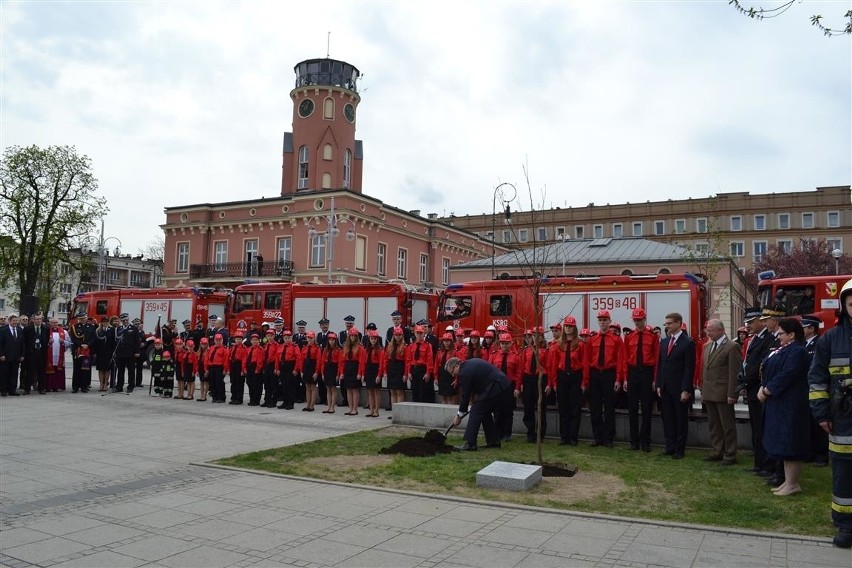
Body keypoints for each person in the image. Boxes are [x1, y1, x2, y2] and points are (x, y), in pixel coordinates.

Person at [809, 278, 852, 548]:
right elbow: (817, 379)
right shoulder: (830, 340)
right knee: (844, 475)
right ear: (844, 305)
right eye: (851, 303)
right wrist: (821, 413)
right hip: (842, 420)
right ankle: (845, 524)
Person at [759, 318, 811, 496]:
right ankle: (788, 481)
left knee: (791, 444)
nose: (778, 336)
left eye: (781, 333)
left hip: (791, 405)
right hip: (779, 404)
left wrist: (767, 390)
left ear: (792, 335)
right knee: (783, 443)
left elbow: (787, 374)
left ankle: (793, 483)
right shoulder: (784, 349)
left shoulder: (798, 352)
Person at [447, 357, 514, 451]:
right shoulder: (469, 364)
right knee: (484, 412)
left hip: (495, 387)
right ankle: (493, 441)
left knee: (476, 411)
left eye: (452, 371)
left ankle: (470, 444)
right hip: (503, 385)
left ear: (457, 365)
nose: (453, 375)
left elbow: (465, 395)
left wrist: (459, 415)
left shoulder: (464, 372)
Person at [739, 307, 775, 478]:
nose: (748, 326)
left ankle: (767, 466)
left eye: (751, 322)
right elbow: (748, 362)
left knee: (762, 429)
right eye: (747, 323)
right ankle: (759, 463)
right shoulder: (754, 339)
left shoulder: (768, 339)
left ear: (761, 321)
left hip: (759, 388)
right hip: (752, 389)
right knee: (756, 428)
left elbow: (761, 365)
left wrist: (745, 381)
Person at [701, 319, 742, 465]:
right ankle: (716, 450)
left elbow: (734, 372)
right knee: (714, 424)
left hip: (723, 393)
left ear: (721, 330)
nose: (708, 332)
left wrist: (732, 394)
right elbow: (704, 370)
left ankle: (730, 454)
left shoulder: (732, 347)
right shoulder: (707, 346)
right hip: (710, 392)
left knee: (727, 425)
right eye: (707, 329)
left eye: (711, 329)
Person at [656, 312, 695, 459]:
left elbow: (688, 368)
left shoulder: (688, 343)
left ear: (678, 323)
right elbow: (661, 364)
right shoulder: (664, 342)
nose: (667, 326)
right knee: (668, 418)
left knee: (680, 419)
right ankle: (669, 446)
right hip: (665, 387)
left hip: (679, 389)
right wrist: (659, 384)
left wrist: (686, 389)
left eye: (670, 323)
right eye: (666, 324)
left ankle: (679, 449)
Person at [621, 308, 659, 452]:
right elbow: (625, 359)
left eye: (640, 319)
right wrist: (625, 378)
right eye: (635, 320)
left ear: (644, 319)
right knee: (632, 409)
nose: (637, 322)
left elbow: (656, 359)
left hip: (647, 373)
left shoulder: (653, 337)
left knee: (647, 408)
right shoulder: (629, 337)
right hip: (633, 373)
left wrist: (654, 379)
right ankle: (634, 441)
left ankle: (645, 441)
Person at [585, 310, 624, 448]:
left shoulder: (616, 339)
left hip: (609, 374)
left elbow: (620, 360)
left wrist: (618, 379)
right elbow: (587, 361)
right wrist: (586, 380)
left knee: (609, 408)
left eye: (604, 320)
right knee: (595, 408)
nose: (602, 322)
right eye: (600, 320)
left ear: (609, 321)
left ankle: (609, 438)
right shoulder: (592, 339)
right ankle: (597, 437)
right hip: (595, 374)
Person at [549, 317, 586, 446]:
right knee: (563, 408)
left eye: (570, 326)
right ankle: (564, 437)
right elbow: (554, 365)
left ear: (574, 328)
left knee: (575, 409)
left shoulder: (580, 344)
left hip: (576, 377)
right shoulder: (559, 344)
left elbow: (585, 364)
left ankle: (573, 437)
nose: (568, 328)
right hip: (562, 377)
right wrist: (554, 382)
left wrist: (584, 382)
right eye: (566, 326)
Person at [801, 316, 828, 467]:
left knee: (818, 422)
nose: (802, 330)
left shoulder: (819, 344)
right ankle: (810, 452)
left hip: (815, 388)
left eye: (804, 327)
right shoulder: (804, 344)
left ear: (811, 328)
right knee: (808, 423)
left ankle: (821, 456)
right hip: (805, 389)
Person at [521, 328, 550, 443]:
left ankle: (540, 434)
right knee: (528, 407)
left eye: (538, 335)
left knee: (541, 408)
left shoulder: (545, 351)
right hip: (528, 379)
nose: (535, 337)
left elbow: (549, 367)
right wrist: (521, 383)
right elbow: (522, 368)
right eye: (533, 335)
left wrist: (549, 384)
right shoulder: (527, 350)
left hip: (541, 379)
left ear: (542, 337)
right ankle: (530, 432)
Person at [490, 333, 521, 442]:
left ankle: (507, 434)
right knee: (497, 411)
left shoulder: (515, 357)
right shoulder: (494, 355)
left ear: (510, 344)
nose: (504, 346)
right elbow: (490, 372)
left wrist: (517, 387)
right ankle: (498, 433)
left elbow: (518, 373)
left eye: (506, 344)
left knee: (508, 411)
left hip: (509, 386)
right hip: (497, 386)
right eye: (502, 343)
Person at [382, 328, 407, 419]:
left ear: (402, 336)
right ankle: (394, 413)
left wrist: (405, 374)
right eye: (396, 335)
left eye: (399, 335)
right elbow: (385, 360)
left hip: (400, 369)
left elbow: (407, 362)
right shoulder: (389, 346)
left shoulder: (404, 346)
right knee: (392, 391)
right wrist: (385, 371)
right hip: (391, 369)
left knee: (399, 391)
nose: (398, 337)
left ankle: (400, 413)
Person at [406, 325, 434, 403]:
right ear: (414, 333)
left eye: (420, 333)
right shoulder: (411, 346)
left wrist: (428, 373)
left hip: (423, 370)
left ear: (423, 334)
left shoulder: (428, 345)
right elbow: (409, 360)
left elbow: (429, 360)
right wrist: (408, 372)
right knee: (415, 392)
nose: (419, 335)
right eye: (417, 333)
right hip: (414, 370)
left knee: (423, 392)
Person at [68, 311, 94, 393]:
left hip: (87, 350)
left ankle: (84, 386)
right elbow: (73, 338)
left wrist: (88, 345)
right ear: (79, 319)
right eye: (81, 318)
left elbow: (93, 338)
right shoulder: (74, 327)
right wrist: (81, 345)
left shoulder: (91, 326)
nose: (83, 319)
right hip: (77, 350)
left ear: (86, 318)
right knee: (77, 369)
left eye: (84, 318)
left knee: (85, 369)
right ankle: (75, 386)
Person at [24, 314, 50, 394]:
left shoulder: (46, 328)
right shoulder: (28, 328)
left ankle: (41, 388)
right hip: (31, 353)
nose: (39, 321)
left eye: (40, 319)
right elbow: (24, 342)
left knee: (41, 371)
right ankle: (27, 389)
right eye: (37, 319)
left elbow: (47, 339)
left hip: (41, 353)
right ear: (33, 320)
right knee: (29, 372)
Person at [276, 330, 302, 410]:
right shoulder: (281, 346)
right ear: (283, 338)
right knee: (284, 386)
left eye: (288, 338)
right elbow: (277, 358)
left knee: (290, 386)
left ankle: (290, 403)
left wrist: (295, 369)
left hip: (291, 367)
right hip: (282, 367)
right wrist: (277, 368)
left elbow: (298, 358)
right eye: (285, 338)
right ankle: (285, 402)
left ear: (291, 338)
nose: (287, 339)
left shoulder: (294, 347)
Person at [0, 314, 25, 396]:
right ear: (10, 321)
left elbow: (22, 344)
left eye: (16, 321)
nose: (15, 322)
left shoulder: (20, 330)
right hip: (5, 357)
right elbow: (0, 344)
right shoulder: (3, 330)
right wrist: (1, 354)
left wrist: (22, 355)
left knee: (14, 374)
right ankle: (3, 390)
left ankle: (12, 390)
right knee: (4, 374)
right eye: (13, 321)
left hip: (16, 357)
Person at [340, 329, 363, 415]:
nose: (353, 337)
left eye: (354, 336)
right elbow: (342, 361)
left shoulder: (360, 347)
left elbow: (361, 361)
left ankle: (355, 409)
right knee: (348, 389)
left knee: (355, 389)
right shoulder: (346, 347)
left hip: (355, 367)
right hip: (347, 368)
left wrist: (359, 373)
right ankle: (350, 408)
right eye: (351, 336)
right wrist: (342, 372)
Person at [361, 330, 384, 417]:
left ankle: (376, 411)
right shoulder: (366, 350)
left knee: (376, 391)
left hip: (375, 370)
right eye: (371, 338)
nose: (373, 340)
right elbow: (363, 362)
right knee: (370, 391)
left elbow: (381, 363)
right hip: (368, 370)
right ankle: (371, 410)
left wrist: (379, 375)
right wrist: (363, 374)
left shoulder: (379, 350)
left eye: (375, 339)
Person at [45, 318, 70, 392]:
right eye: (53, 322)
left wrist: (63, 341)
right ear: (50, 323)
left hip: (59, 355)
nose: (55, 324)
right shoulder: (46, 331)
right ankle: (48, 386)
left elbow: (69, 343)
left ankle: (57, 386)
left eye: (56, 322)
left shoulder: (64, 332)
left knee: (58, 370)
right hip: (49, 355)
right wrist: (48, 342)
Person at [434, 332, 459, 405]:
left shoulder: (455, 352)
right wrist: (436, 377)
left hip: (451, 377)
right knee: (443, 398)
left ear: (451, 341)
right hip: (442, 376)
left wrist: (456, 379)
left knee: (451, 398)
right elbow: (436, 365)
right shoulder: (439, 352)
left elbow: (459, 367)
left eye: (448, 341)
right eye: (444, 341)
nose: (446, 342)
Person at [321, 332, 342, 413]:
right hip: (327, 368)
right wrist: (322, 373)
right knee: (328, 388)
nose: (331, 341)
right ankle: (328, 406)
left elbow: (340, 363)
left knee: (333, 388)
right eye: (330, 340)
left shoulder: (338, 350)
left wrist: (338, 374)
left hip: (334, 368)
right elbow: (323, 362)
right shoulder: (325, 350)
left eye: (333, 340)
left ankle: (332, 407)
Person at [245, 334, 266, 406]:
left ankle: (256, 400)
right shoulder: (249, 349)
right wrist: (245, 368)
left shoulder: (260, 349)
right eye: (253, 340)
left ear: (259, 341)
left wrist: (258, 369)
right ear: (251, 341)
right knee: (250, 383)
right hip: (249, 368)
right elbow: (246, 359)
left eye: (256, 340)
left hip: (256, 368)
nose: (255, 341)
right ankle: (252, 399)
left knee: (257, 385)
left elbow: (260, 360)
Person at [228, 331, 248, 404]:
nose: (238, 340)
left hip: (239, 366)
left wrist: (243, 370)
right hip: (233, 366)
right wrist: (229, 368)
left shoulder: (244, 348)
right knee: (233, 382)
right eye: (237, 339)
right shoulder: (232, 347)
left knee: (239, 383)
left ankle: (239, 399)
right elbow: (229, 357)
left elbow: (244, 359)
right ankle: (233, 397)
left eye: (240, 339)